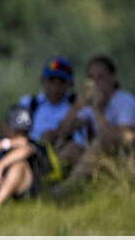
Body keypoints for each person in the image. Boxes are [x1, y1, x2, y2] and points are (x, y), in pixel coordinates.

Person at [52, 55, 135, 191]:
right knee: (70, 147)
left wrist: (97, 110)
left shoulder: (125, 101)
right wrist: (76, 107)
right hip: (99, 159)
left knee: (99, 142)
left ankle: (69, 187)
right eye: (91, 78)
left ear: (113, 78)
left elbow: (121, 139)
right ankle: (44, 182)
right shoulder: (91, 104)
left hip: (123, 159)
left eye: (100, 77)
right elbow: (62, 132)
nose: (96, 82)